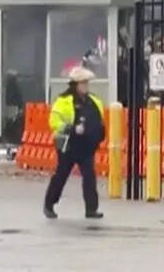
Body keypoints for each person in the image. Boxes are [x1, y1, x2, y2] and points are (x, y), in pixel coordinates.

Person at [43, 66, 105, 220]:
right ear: (75, 85)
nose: (85, 86)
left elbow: (99, 121)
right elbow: (54, 121)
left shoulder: (93, 101)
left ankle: (91, 209)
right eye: (82, 83)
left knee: (89, 177)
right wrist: (70, 128)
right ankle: (49, 204)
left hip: (86, 147)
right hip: (68, 146)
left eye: (86, 83)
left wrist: (99, 135)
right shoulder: (64, 101)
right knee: (61, 176)